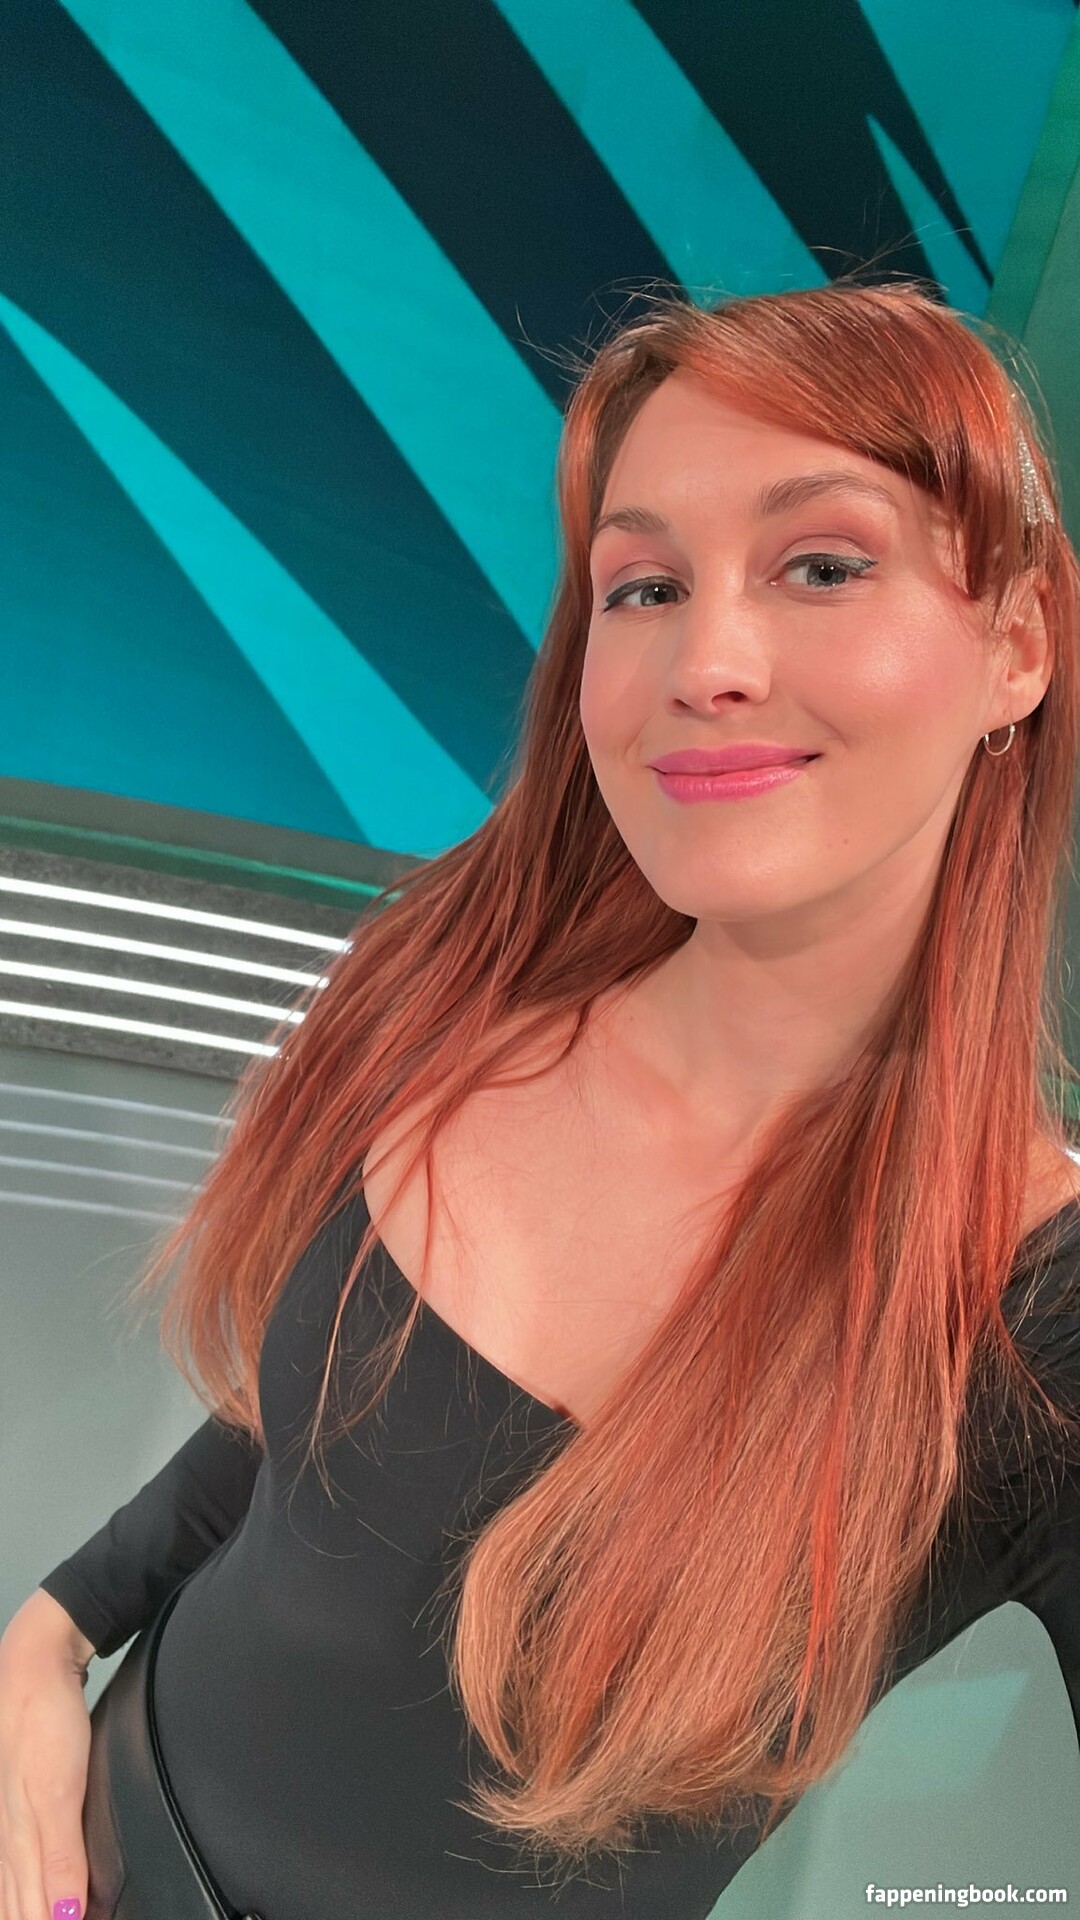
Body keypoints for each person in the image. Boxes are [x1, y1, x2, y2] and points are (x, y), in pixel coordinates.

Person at [2, 275, 1080, 1920]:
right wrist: (52, 1631)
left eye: (821, 565)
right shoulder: (464, 987)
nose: (708, 662)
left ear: (1017, 645)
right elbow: (312, 1442)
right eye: (644, 587)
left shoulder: (1030, 1311)